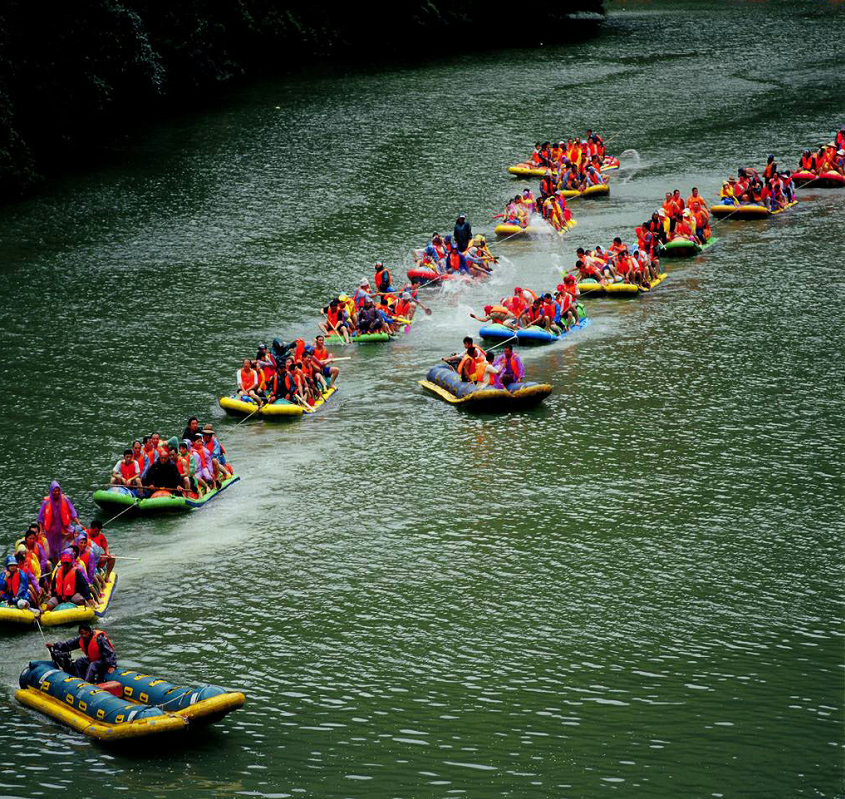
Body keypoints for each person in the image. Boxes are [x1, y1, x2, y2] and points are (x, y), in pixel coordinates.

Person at [47, 624, 117, 683]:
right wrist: (54, 645)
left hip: (103, 661)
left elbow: (109, 652)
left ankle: (87, 683)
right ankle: (80, 681)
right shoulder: (82, 639)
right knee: (79, 661)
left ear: (89, 632)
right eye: (81, 634)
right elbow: (68, 644)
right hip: (93, 659)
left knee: (92, 665)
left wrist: (112, 665)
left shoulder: (99, 638)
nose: (83, 635)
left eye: (85, 633)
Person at [37, 481, 81, 563]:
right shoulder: (46, 502)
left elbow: (72, 513)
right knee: (53, 551)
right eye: (54, 491)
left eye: (58, 490)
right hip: (51, 531)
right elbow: (40, 518)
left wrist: (78, 524)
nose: (56, 492)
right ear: (51, 491)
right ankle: (55, 565)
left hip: (64, 529)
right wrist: (41, 531)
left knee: (72, 538)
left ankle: (66, 561)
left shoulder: (65, 500)